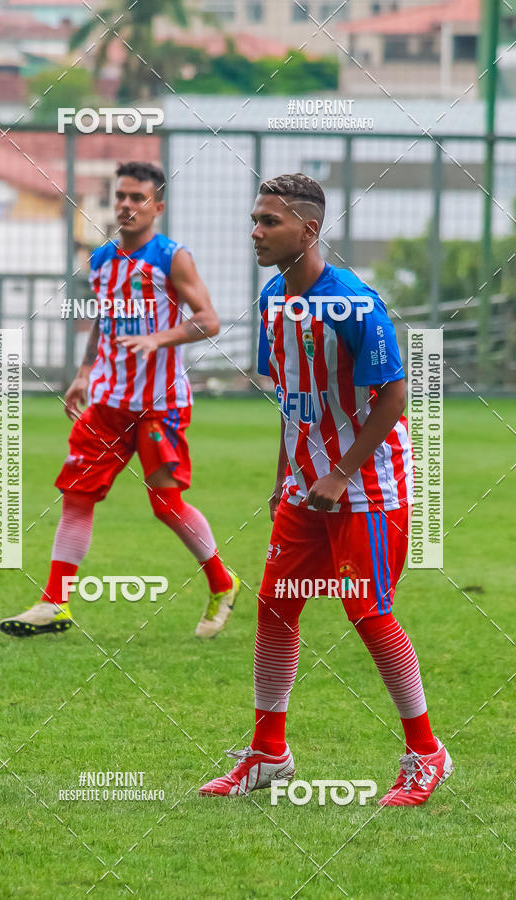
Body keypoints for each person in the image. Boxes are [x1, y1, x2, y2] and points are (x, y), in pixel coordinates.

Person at [199, 173, 453, 806]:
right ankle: (268, 753)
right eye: (254, 219)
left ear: (308, 231)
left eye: (269, 222)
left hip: (369, 488)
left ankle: (427, 753)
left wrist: (341, 473)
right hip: (302, 488)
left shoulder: (355, 302)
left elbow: (394, 396)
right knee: (275, 607)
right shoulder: (270, 299)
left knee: (367, 613)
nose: (255, 232)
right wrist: (280, 476)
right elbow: (294, 404)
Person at [0, 161, 239, 639]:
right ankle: (54, 604)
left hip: (159, 403)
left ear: (158, 206)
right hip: (107, 402)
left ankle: (222, 581)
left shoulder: (173, 257)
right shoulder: (103, 259)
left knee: (166, 506)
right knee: (77, 496)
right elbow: (104, 325)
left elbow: (209, 321)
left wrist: (160, 339)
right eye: (122, 197)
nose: (128, 205)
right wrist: (84, 371)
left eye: (138, 198)